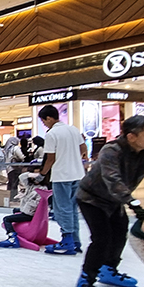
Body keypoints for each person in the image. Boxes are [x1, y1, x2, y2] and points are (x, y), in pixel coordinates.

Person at [74, 115, 144, 287]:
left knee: (120, 234)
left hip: (115, 201)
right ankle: (86, 280)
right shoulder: (111, 150)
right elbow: (113, 180)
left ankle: (109, 269)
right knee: (102, 238)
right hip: (91, 198)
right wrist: (134, 204)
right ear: (131, 136)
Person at [37, 105, 87, 255]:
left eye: (43, 120)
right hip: (78, 175)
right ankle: (75, 241)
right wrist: (77, 159)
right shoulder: (73, 129)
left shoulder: (52, 134)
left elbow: (50, 158)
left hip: (61, 176)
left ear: (50, 118)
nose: (44, 123)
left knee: (62, 208)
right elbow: (83, 148)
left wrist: (42, 174)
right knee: (72, 209)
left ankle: (67, 241)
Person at [0, 170, 47, 248]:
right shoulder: (30, 186)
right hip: (25, 210)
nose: (37, 178)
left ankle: (12, 238)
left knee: (6, 219)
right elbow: (21, 177)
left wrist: (27, 200)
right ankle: (17, 228)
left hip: (29, 213)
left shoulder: (43, 189)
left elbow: (38, 204)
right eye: (35, 175)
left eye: (39, 176)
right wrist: (31, 174)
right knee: (15, 210)